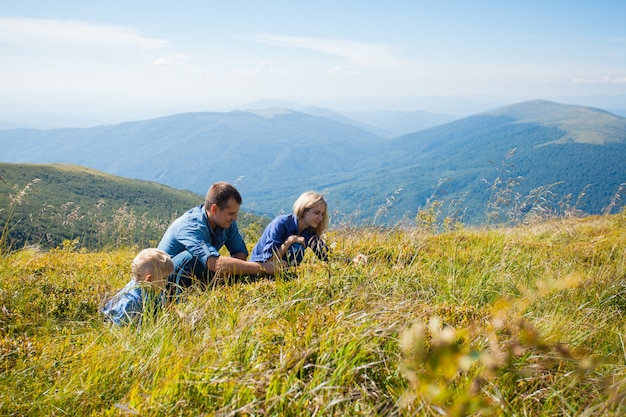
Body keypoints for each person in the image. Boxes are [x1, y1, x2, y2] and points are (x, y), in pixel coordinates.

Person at [157, 182, 280, 295]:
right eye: (231, 213)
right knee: (191, 259)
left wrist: (227, 273)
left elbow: (240, 253)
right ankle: (177, 303)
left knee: (218, 266)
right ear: (214, 209)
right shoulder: (191, 227)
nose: (235, 217)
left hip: (195, 275)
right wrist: (262, 267)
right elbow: (214, 263)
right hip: (160, 282)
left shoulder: (225, 222)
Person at [250, 191, 331, 266]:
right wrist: (290, 241)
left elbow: (327, 256)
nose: (320, 218)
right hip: (258, 267)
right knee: (296, 247)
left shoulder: (310, 231)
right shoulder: (281, 224)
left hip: (282, 271)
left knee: (297, 248)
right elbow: (268, 261)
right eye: (317, 213)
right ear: (304, 210)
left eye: (322, 214)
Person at [101, 248, 174, 326]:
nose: (167, 282)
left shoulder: (154, 288)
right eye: (164, 278)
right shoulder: (130, 303)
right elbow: (120, 330)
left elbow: (166, 306)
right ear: (148, 280)